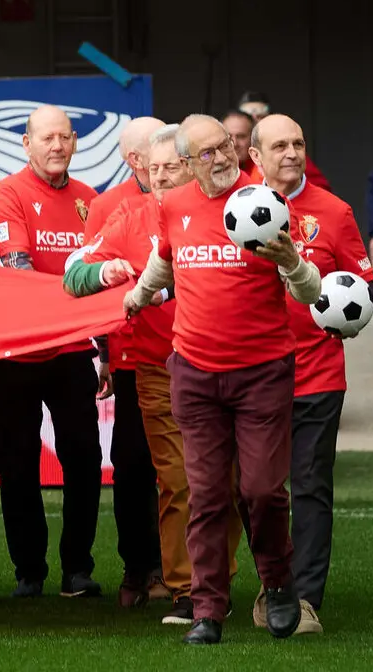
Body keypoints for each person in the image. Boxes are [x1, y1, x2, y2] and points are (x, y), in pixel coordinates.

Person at [125, 113, 322, 644]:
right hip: (194, 372)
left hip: (262, 372)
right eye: (207, 153)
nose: (221, 158)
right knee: (207, 495)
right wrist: (139, 297)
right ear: (186, 163)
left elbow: (309, 294)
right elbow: (165, 263)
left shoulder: (266, 202)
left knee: (260, 490)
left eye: (226, 147)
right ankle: (208, 610)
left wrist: (293, 263)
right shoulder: (174, 204)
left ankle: (277, 584)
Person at [64, 123, 243, 625]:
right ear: (140, 169)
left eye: (172, 167)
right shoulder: (130, 216)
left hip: (230, 362)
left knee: (227, 483)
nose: (161, 177)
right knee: (180, 480)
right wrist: (107, 273)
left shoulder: (231, 208)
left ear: (191, 166)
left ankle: (217, 582)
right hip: (158, 368)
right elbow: (73, 273)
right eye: (153, 168)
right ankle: (189, 591)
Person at [249, 114, 373, 635]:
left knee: (310, 488)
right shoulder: (235, 210)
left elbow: (363, 280)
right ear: (255, 156)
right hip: (251, 374)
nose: (291, 153)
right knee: (255, 490)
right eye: (279, 145)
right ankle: (273, 582)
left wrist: (356, 311)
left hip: (317, 374)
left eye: (298, 143)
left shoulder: (335, 211)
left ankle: (304, 601)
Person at [0, 104, 105, 599]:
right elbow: (19, 268)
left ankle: (77, 569)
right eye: (45, 138)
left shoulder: (90, 200)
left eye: (64, 137)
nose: (56, 146)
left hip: (73, 348)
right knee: (18, 464)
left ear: (75, 142)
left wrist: (106, 348)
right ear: (26, 144)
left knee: (84, 459)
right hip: (15, 352)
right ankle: (29, 571)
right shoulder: (8, 194)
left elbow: (104, 277)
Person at [82, 115, 166, 608]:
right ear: (135, 160)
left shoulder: (195, 199)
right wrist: (106, 355)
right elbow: (93, 283)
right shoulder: (108, 207)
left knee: (187, 471)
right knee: (132, 464)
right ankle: (138, 568)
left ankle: (186, 572)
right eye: (156, 152)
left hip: (191, 356)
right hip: (134, 359)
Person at [222, 110, 255, 175]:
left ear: (253, 139)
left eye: (241, 137)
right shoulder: (206, 173)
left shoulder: (265, 176)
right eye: (228, 137)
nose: (234, 144)